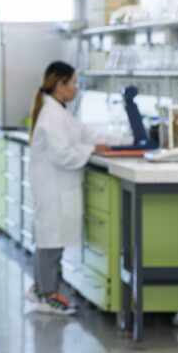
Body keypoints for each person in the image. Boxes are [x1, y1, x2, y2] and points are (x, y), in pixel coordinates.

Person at [26, 61, 129, 316]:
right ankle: (47, 296)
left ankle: (42, 288)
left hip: (57, 187)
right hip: (53, 188)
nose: (76, 88)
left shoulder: (59, 111)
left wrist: (125, 141)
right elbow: (62, 155)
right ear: (59, 85)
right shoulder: (51, 116)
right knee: (50, 243)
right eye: (73, 82)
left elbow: (87, 135)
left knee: (50, 241)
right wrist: (91, 150)